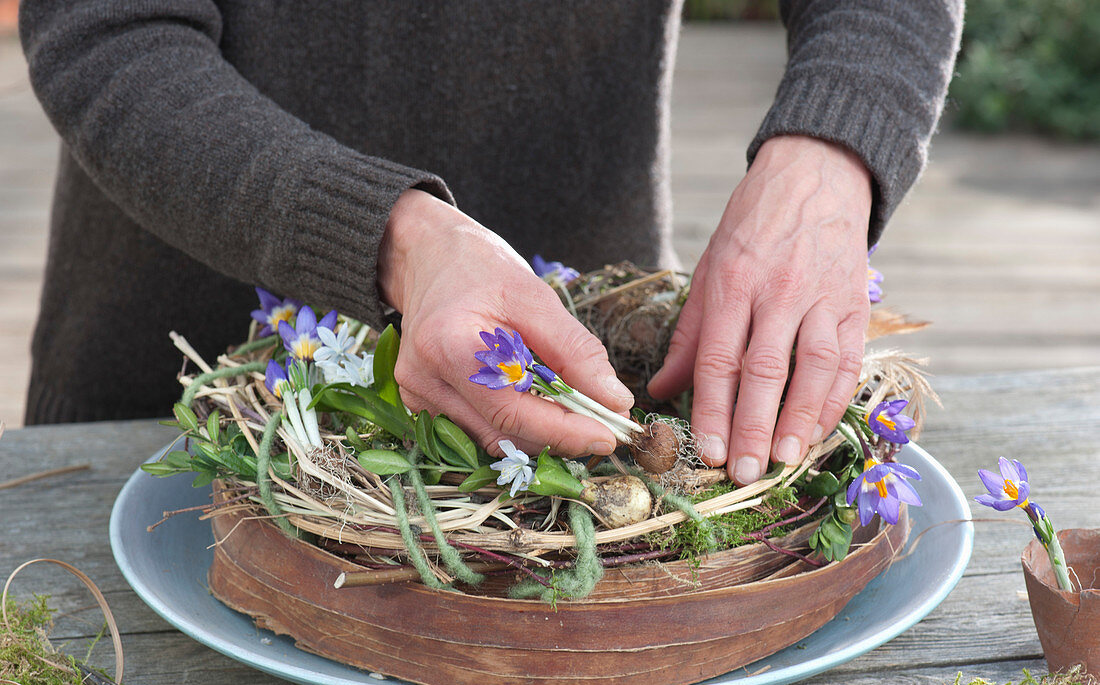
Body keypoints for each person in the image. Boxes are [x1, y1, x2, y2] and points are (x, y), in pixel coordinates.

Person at [19, 1, 962, 484]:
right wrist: (392, 239)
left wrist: (829, 153)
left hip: (594, 390)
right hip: (181, 414)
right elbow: (109, 29)